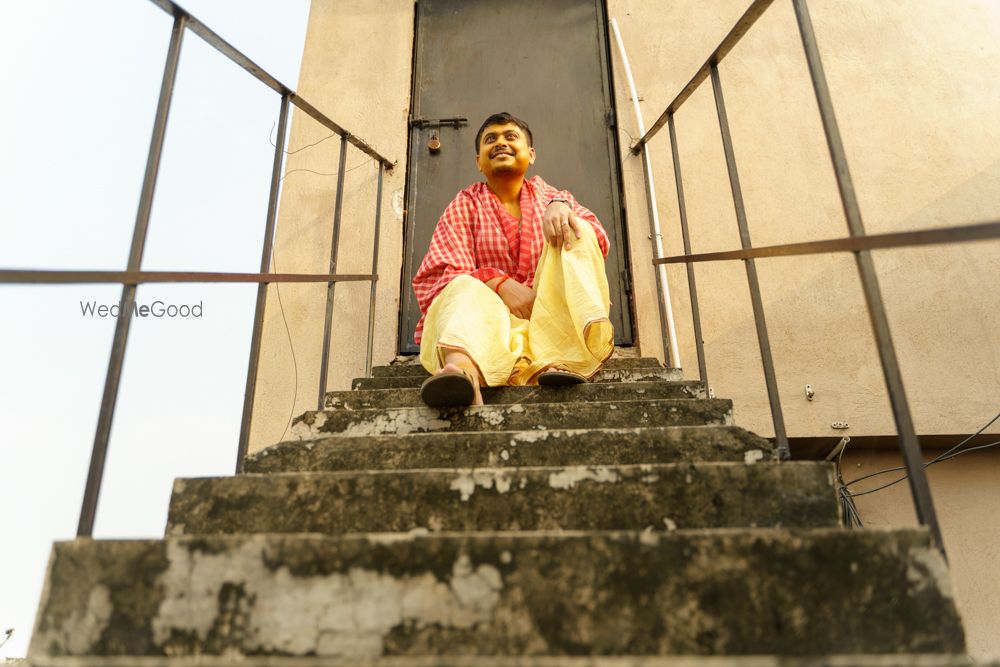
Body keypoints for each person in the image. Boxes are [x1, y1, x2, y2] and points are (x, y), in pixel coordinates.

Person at [412, 112, 614, 407]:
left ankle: (565, 357)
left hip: (549, 315)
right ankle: (462, 376)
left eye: (510, 136)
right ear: (478, 162)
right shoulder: (465, 204)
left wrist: (560, 206)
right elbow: (444, 271)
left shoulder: (552, 196)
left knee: (578, 228)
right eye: (490, 139)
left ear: (531, 155)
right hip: (491, 323)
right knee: (461, 286)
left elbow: (598, 244)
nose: (500, 143)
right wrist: (500, 284)